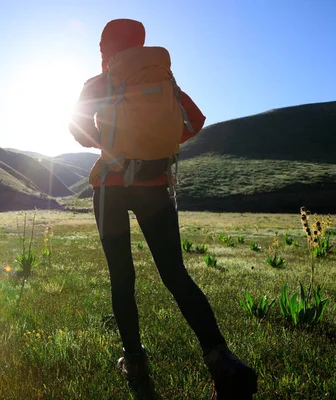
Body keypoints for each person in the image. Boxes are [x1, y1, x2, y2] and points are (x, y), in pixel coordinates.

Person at [69, 19, 258, 399]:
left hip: (110, 189)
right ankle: (221, 359)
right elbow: (196, 120)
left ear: (107, 48)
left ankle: (135, 361)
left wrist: (112, 145)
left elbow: (76, 128)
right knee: (176, 275)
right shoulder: (165, 82)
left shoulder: (98, 83)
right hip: (156, 188)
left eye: (102, 46)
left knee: (122, 278)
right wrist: (156, 146)